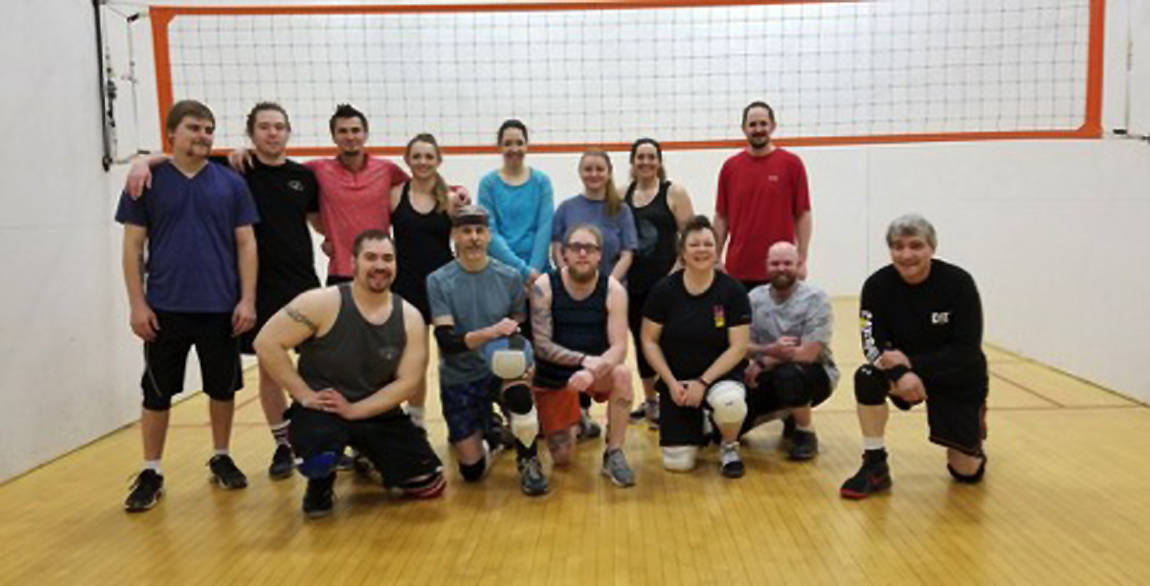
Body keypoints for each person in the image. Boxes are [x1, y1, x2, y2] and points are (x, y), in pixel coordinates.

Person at [124, 102, 322, 481]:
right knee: (166, 390)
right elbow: (135, 242)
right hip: (196, 300)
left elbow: (311, 225)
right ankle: (153, 469)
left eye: (279, 126)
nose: (272, 133)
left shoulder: (278, 178)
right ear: (251, 133)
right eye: (264, 126)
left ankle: (244, 453)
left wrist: (336, 246)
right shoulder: (223, 170)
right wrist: (142, 160)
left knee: (237, 385)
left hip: (268, 293)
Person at [116, 100, 259, 512]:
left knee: (222, 387)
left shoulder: (231, 182)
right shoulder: (147, 182)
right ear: (172, 134)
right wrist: (137, 305)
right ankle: (151, 469)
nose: (203, 135)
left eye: (209, 129)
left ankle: (221, 455)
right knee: (157, 393)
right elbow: (133, 247)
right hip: (164, 308)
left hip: (221, 307)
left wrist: (247, 299)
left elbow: (246, 243)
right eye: (194, 128)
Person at [254, 230, 445, 518]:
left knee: (429, 484)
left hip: (375, 411)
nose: (380, 265)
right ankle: (320, 484)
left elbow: (408, 383)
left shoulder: (410, 317)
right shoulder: (320, 303)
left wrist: (356, 410)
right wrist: (304, 395)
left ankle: (370, 458)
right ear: (353, 262)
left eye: (387, 258)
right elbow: (266, 342)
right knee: (318, 455)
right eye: (371, 257)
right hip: (324, 408)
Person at [841, 214, 989, 499]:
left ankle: (974, 431)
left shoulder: (959, 283)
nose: (906, 254)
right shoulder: (876, 285)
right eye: (898, 246)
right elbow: (871, 343)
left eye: (915, 246)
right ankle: (875, 464)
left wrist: (913, 365)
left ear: (931, 248)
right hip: (901, 372)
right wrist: (900, 374)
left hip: (956, 375)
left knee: (966, 473)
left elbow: (967, 349)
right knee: (867, 377)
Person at [426, 206, 548, 496]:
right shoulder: (438, 281)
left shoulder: (509, 277)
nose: (473, 238)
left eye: (479, 231)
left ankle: (528, 460)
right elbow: (447, 341)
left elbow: (520, 326)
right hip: (460, 375)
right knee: (471, 472)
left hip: (501, 371)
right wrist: (490, 333)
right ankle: (491, 438)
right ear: (454, 235)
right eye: (466, 231)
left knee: (519, 394)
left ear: (489, 235)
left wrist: (528, 363)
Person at [230, 104, 409, 285]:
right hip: (340, 272)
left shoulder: (388, 170)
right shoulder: (316, 170)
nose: (350, 136)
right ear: (333, 136)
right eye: (343, 131)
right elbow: (279, 169)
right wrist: (246, 152)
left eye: (355, 130)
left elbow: (416, 188)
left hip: (380, 271)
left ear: (366, 134)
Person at [640, 216, 751, 478]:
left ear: (716, 249)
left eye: (708, 244)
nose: (702, 250)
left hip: (718, 378)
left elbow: (738, 347)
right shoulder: (664, 291)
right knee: (677, 463)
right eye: (694, 245)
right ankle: (701, 423)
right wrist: (669, 382)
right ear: (682, 252)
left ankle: (729, 446)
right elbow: (648, 340)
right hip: (677, 383)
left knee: (730, 403)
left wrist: (702, 382)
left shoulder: (732, 291)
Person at [530, 224, 636, 487]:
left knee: (622, 374)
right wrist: (581, 360)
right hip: (555, 375)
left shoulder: (613, 290)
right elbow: (542, 346)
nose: (582, 253)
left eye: (589, 248)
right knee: (562, 458)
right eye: (575, 247)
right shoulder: (545, 286)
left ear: (600, 255)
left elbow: (619, 348)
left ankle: (614, 452)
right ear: (563, 253)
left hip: (593, 372)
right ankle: (578, 420)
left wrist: (591, 370)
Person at [552, 150, 638, 440]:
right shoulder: (566, 208)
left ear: (609, 172)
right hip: (572, 292)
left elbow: (627, 253)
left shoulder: (621, 210)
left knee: (606, 351)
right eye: (588, 169)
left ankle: (614, 445)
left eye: (599, 169)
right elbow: (557, 247)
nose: (593, 174)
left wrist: (604, 285)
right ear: (580, 172)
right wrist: (570, 281)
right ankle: (579, 412)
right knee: (574, 346)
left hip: (609, 295)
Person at [389, 133, 470, 430]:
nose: (423, 162)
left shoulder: (450, 199)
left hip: (444, 287)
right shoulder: (395, 194)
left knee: (454, 358)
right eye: (417, 156)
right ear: (407, 159)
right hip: (406, 286)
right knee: (414, 360)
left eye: (428, 157)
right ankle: (416, 423)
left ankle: (462, 419)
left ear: (438, 160)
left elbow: (464, 243)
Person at [743, 242, 838, 461]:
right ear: (766, 266)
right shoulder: (754, 298)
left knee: (790, 375)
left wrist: (764, 360)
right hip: (766, 376)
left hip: (813, 374)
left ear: (799, 265)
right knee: (723, 432)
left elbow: (809, 354)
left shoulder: (816, 298)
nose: (781, 268)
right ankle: (786, 412)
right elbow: (743, 346)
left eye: (787, 263)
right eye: (775, 263)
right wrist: (769, 351)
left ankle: (805, 431)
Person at [624, 138, 694, 429]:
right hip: (634, 287)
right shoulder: (621, 193)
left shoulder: (673, 192)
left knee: (668, 344)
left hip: (666, 286)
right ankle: (651, 401)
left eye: (651, 157)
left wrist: (675, 276)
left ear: (659, 161)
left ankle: (671, 399)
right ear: (632, 162)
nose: (646, 162)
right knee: (642, 344)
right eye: (640, 157)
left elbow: (689, 236)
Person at [714, 101, 813, 291]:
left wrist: (801, 258)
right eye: (752, 125)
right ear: (744, 128)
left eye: (763, 123)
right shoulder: (730, 167)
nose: (758, 129)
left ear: (773, 126)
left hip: (781, 269)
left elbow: (803, 214)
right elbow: (721, 216)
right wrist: (716, 258)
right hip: (738, 269)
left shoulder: (792, 164)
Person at [478, 119, 555, 283]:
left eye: (519, 143)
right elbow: (490, 232)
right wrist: (524, 272)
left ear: (527, 145)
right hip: (500, 273)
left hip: (539, 272)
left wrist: (533, 273)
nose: (514, 149)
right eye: (508, 143)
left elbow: (545, 229)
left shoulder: (542, 182)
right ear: (499, 146)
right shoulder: (488, 184)